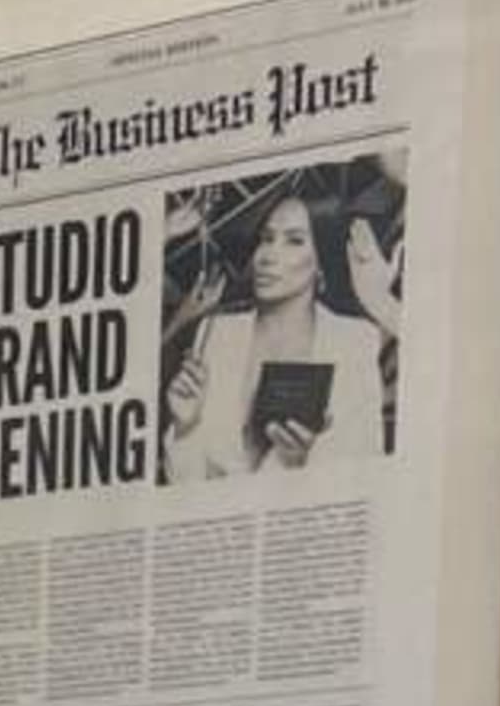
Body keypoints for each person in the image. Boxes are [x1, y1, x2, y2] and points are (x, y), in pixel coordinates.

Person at [161, 181, 398, 487]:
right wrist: (185, 427)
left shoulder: (354, 341)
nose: (268, 255)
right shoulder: (217, 331)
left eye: (294, 241)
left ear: (321, 263)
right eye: (267, 238)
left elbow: (364, 480)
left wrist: (297, 465)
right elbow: (181, 484)